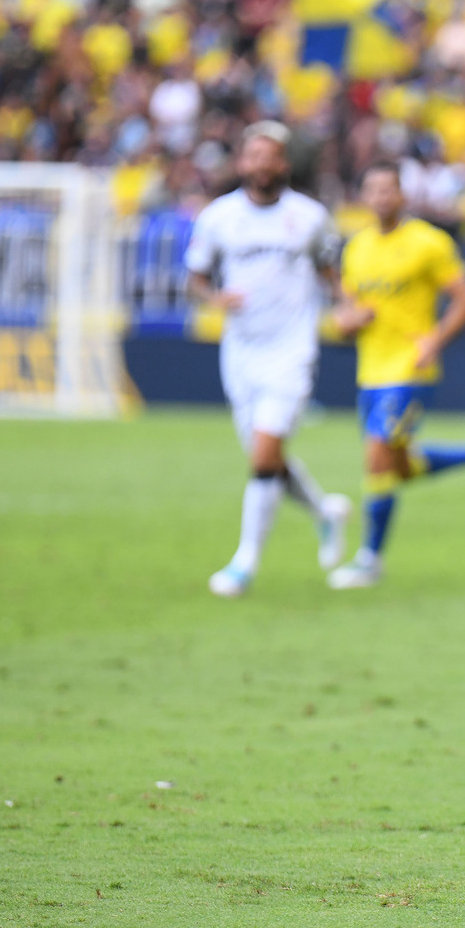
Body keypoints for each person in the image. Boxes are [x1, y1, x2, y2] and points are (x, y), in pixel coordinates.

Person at [327, 162, 465, 589]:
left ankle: (369, 559)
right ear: (363, 197)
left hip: (410, 368)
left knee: (378, 456)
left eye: (388, 189)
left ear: (402, 195)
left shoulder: (428, 243)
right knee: (397, 467)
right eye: (373, 189)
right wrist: (347, 320)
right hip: (370, 370)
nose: (381, 197)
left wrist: (435, 339)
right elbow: (347, 310)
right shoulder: (356, 248)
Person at [186, 121, 351, 598]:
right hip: (241, 352)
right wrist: (215, 298)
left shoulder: (310, 217)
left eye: (271, 156)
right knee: (268, 457)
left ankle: (245, 562)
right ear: (242, 162)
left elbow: (330, 272)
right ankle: (324, 511)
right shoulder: (219, 217)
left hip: (291, 351)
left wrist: (347, 306)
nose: (262, 164)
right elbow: (196, 278)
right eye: (253, 155)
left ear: (285, 163)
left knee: (263, 456)